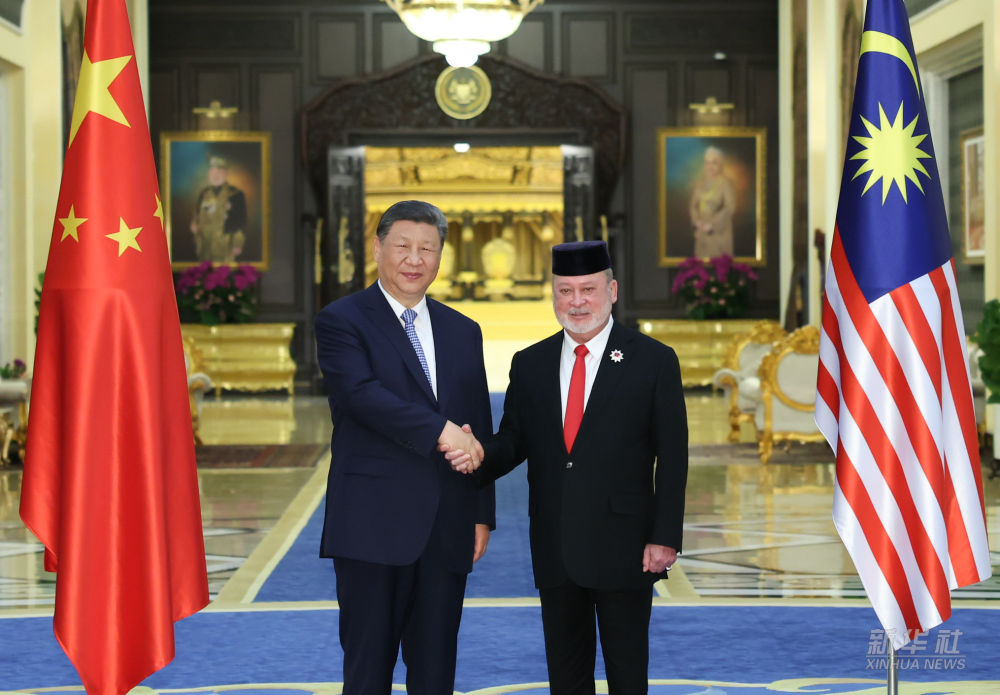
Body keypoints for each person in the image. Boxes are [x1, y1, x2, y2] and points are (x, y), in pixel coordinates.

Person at [445, 240, 688, 695]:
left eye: (588, 290)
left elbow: (674, 457)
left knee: (628, 676)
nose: (577, 302)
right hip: (555, 545)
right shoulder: (530, 364)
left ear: (612, 291)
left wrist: (665, 536)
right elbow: (513, 441)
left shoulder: (653, 360)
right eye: (565, 291)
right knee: (566, 677)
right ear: (553, 295)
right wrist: (475, 453)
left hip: (626, 546)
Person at [314, 199, 495, 695]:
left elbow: (477, 425)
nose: (415, 260)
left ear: (440, 256)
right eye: (402, 246)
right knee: (368, 673)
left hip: (447, 526)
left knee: (435, 673)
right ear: (378, 249)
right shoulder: (342, 320)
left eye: (427, 249)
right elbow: (361, 396)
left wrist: (481, 512)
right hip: (372, 524)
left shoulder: (463, 330)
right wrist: (441, 431)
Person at [190, 155, 247, 263]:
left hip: (225, 247)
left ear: (226, 173)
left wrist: (238, 244)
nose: (215, 175)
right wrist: (195, 225)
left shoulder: (235, 194)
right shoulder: (204, 194)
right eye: (213, 171)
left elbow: (241, 222)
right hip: (205, 247)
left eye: (219, 172)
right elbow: (196, 216)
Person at [689, 145, 736, 258]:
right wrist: (697, 221)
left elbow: (730, 207)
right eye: (707, 163)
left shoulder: (725, 183)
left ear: (720, 165)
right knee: (701, 264)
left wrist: (712, 225)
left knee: (718, 264)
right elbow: (693, 205)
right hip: (701, 232)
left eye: (714, 163)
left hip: (719, 233)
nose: (710, 166)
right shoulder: (699, 183)